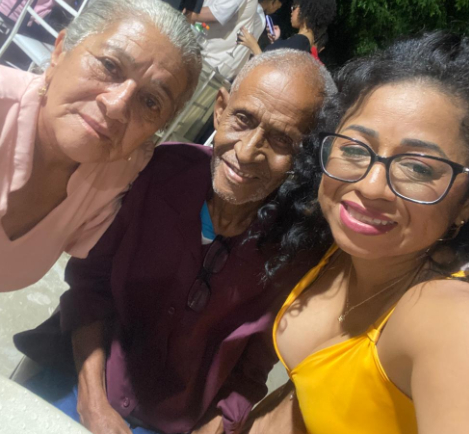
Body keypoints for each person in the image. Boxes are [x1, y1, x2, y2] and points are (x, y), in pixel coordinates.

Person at [17, 50, 336, 434]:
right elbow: (90, 287)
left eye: (282, 140)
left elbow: (251, 371)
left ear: (305, 157)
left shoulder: (295, 252)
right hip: (76, 375)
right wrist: (93, 403)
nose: (247, 151)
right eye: (243, 119)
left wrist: (214, 427)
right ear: (220, 109)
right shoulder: (157, 171)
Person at [257, 31, 469, 433]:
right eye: (356, 149)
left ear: (465, 204)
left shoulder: (448, 318)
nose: (371, 187)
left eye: (418, 168)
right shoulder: (337, 248)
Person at [0, 0, 201, 344]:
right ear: (60, 51)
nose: (118, 106)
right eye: (109, 66)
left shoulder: (115, 175)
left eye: (150, 101)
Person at [238, 0, 336, 58]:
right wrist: (276, 40)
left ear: (305, 12)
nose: (291, 12)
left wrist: (253, 45)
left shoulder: (298, 43)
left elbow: (270, 70)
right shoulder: (304, 44)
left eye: (294, 8)